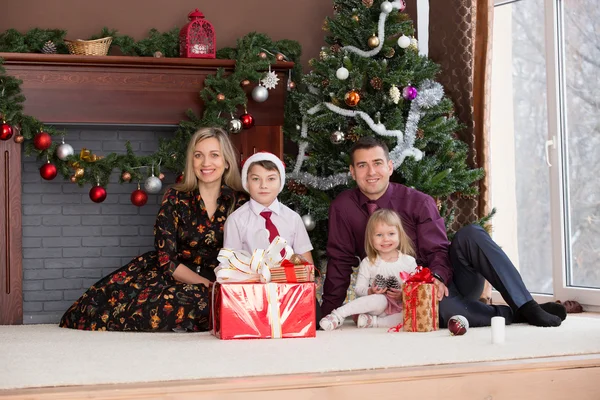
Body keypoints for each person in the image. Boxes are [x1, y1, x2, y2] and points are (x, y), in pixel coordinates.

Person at [322, 136, 567, 328]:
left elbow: (438, 249)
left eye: (377, 163)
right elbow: (340, 261)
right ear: (353, 172)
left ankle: (527, 304)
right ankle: (512, 313)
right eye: (362, 165)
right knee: (445, 314)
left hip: (448, 278)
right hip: (407, 296)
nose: (371, 172)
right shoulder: (343, 208)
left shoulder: (418, 201)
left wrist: (437, 279)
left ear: (389, 166)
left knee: (471, 233)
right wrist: (327, 313)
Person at [59, 127, 248, 331]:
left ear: (226, 161)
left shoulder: (240, 201)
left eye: (214, 155)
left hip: (223, 280)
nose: (206, 163)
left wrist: (220, 285)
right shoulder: (175, 197)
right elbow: (167, 260)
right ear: (191, 161)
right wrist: (206, 285)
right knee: (119, 309)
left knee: (208, 304)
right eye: (198, 155)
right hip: (176, 275)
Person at [319, 209, 417, 330]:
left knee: (411, 316)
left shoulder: (409, 262)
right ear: (371, 239)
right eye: (379, 235)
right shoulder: (368, 262)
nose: (386, 239)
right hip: (376, 306)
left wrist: (403, 295)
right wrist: (371, 291)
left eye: (391, 234)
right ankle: (337, 315)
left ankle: (372, 322)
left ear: (400, 235)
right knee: (380, 300)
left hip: (399, 307)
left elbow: (415, 291)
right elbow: (359, 289)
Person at [223, 152, 313, 263]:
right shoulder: (236, 220)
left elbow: (306, 264)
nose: (263, 185)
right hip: (250, 279)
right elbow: (230, 266)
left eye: (271, 179)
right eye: (256, 179)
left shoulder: (293, 219)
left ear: (281, 182)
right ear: (246, 182)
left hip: (289, 279)